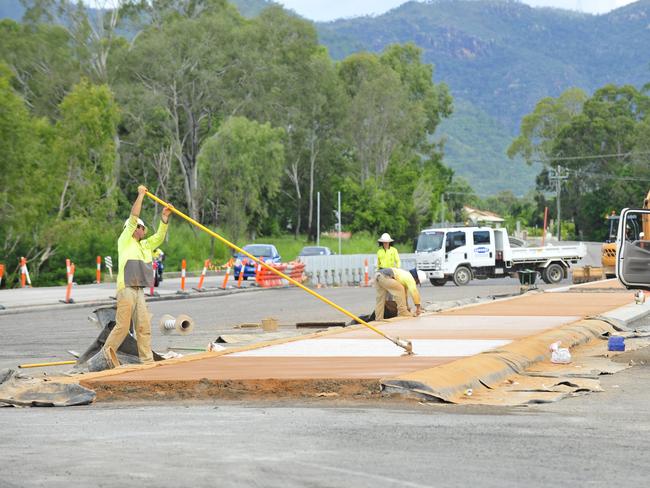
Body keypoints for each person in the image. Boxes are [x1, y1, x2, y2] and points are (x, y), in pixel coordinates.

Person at [103, 185, 172, 363]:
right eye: (141, 227)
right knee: (123, 327)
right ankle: (105, 358)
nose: (143, 230)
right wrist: (141, 195)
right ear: (134, 228)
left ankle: (147, 361)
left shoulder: (145, 245)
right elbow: (133, 216)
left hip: (138, 289)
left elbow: (158, 238)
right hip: (126, 287)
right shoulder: (125, 240)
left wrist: (164, 219)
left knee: (143, 326)